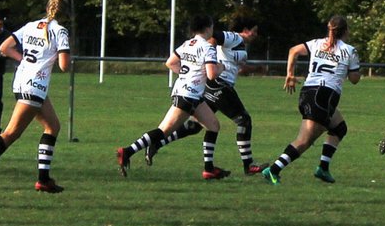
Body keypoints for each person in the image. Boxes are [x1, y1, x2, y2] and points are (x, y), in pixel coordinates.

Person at [0, 0, 71, 198]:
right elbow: (64, 65)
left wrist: (23, 59)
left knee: (53, 126)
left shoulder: (31, 25)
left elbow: (4, 47)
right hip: (35, 86)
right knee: (11, 133)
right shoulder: (60, 31)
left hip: (22, 81)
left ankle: (43, 179)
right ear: (65, 13)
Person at [144, 16, 265, 176]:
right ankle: (248, 165)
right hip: (219, 85)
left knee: (195, 126)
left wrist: (255, 70)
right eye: (254, 31)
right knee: (244, 120)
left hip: (215, 85)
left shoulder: (239, 46)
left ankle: (157, 144)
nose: (256, 35)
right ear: (245, 30)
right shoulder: (233, 37)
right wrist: (209, 58)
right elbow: (214, 38)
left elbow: (234, 67)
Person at [116, 14, 226, 180]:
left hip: (189, 93)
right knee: (163, 131)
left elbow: (171, 62)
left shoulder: (187, 44)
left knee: (213, 125)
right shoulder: (208, 48)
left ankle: (209, 169)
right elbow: (211, 74)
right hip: (188, 95)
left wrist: (187, 74)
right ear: (208, 28)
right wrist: (222, 67)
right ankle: (127, 151)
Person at [262, 15, 361, 185]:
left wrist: (290, 75)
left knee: (339, 128)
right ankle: (273, 169)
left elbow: (293, 50)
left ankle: (323, 168)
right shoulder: (350, 51)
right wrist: (355, 66)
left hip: (309, 92)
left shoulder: (316, 43)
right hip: (323, 95)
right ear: (346, 31)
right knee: (305, 140)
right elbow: (354, 79)